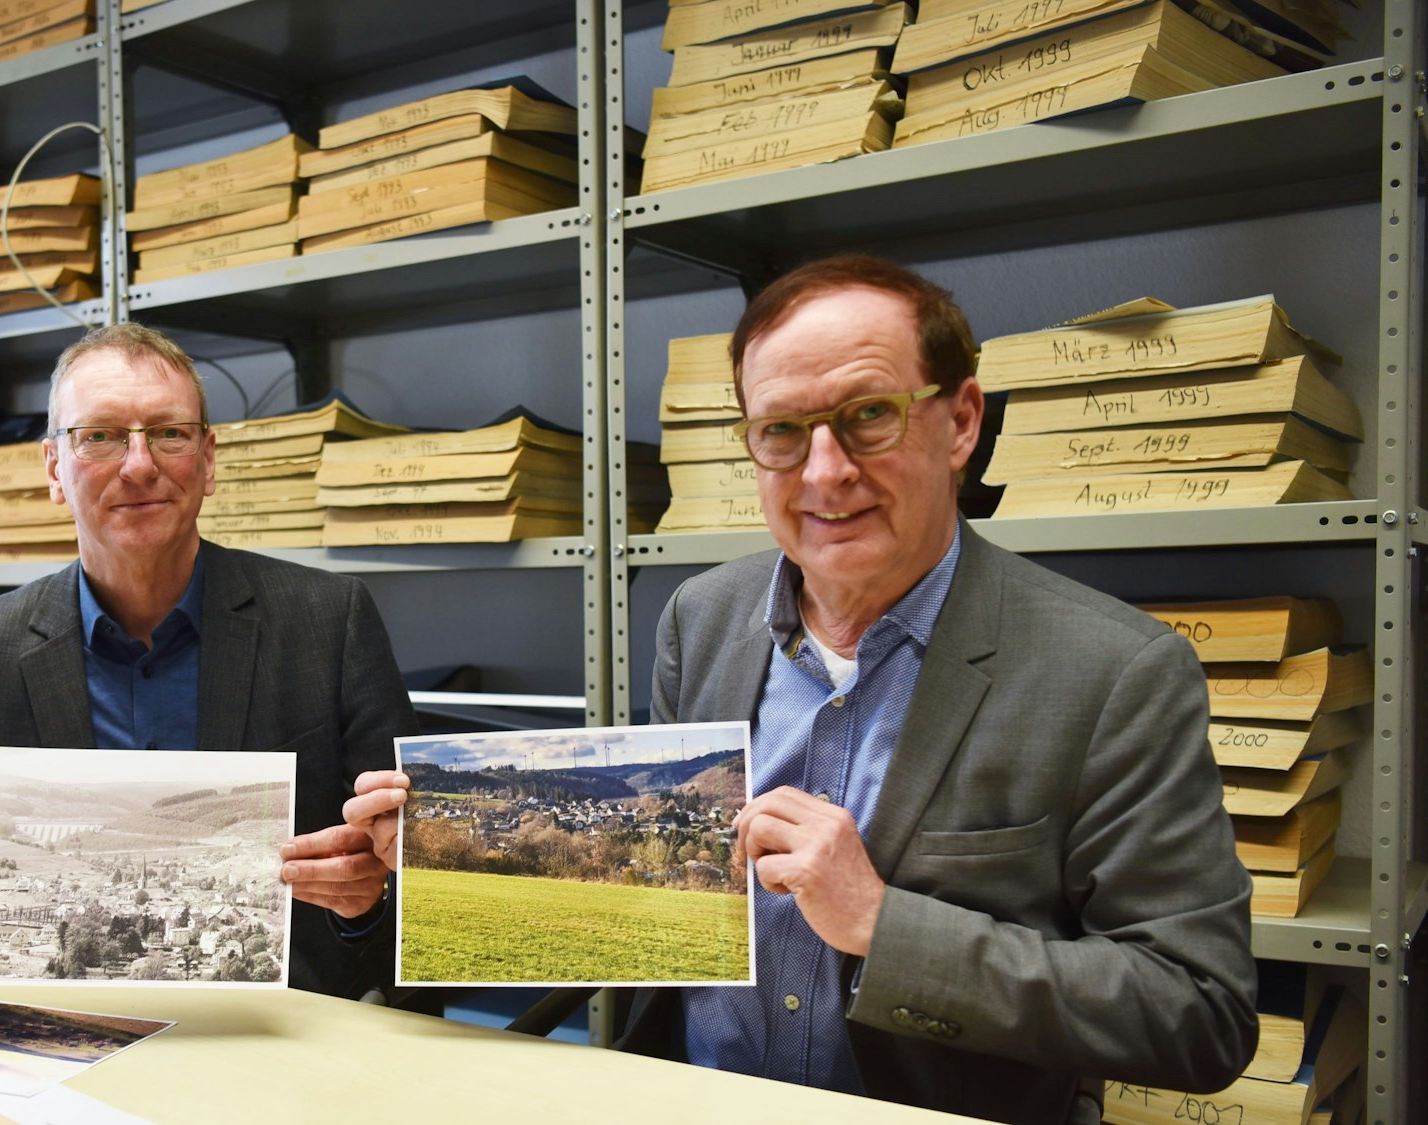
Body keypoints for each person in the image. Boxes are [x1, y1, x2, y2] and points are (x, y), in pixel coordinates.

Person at [353, 256, 1258, 1124]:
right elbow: (651, 912)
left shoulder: (1113, 672)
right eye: (782, 430)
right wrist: (449, 867)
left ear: (963, 422)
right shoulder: (700, 618)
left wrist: (883, 926)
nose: (825, 472)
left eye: (870, 413)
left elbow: (1199, 1011)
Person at [0, 323, 414, 1000]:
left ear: (207, 459)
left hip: (285, 1036)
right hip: (48, 1037)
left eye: (169, 433)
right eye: (101, 436)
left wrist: (370, 904)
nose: (138, 464)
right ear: (55, 467)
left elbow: (418, 875)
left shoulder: (329, 622)